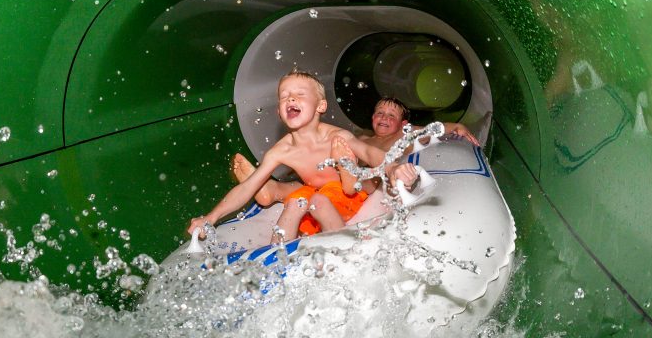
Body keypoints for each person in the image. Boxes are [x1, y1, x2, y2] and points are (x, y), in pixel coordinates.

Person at [188, 71, 389, 242]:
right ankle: (276, 254)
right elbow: (248, 186)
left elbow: (368, 152)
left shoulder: (336, 137)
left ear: (320, 106)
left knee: (318, 200)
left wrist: (393, 167)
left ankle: (346, 175)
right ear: (279, 111)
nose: (290, 99)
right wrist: (211, 217)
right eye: (284, 96)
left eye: (300, 94)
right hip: (316, 191)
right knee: (294, 202)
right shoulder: (282, 150)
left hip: (346, 194)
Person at [231, 96, 479, 204]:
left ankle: (348, 177)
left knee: (367, 175)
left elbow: (432, 129)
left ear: (403, 123)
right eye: (379, 113)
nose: (383, 118)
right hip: (338, 178)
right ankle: (271, 190)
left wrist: (456, 126)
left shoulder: (404, 135)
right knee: (312, 182)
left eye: (391, 115)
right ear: (372, 117)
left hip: (369, 182)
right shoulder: (361, 137)